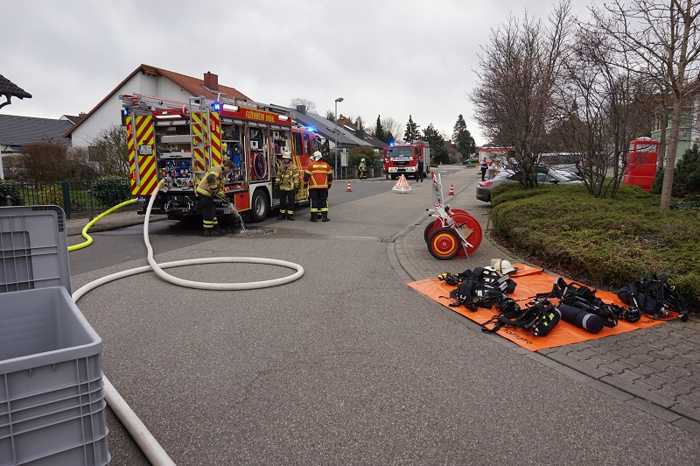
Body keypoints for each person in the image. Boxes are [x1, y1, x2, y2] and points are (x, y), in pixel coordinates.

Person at [196, 159, 233, 236]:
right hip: (203, 192)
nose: (229, 172)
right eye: (229, 170)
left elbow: (216, 184)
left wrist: (220, 193)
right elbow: (211, 179)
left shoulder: (221, 172)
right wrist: (216, 191)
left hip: (207, 194)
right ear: (227, 167)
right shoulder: (217, 169)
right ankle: (208, 231)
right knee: (208, 212)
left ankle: (215, 229)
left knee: (212, 210)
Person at [304, 151, 333, 222]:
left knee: (314, 202)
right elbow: (330, 177)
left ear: (315, 157)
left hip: (313, 188)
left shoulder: (311, 165)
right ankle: (324, 218)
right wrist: (329, 185)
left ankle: (314, 218)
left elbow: (306, 177)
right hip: (324, 187)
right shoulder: (326, 165)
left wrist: (305, 185)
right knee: (323, 202)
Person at [275, 151, 299, 220]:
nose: (285, 159)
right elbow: (278, 176)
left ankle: (290, 215)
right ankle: (282, 215)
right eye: (284, 158)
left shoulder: (293, 167)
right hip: (282, 187)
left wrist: (296, 186)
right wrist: (276, 185)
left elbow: (296, 177)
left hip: (290, 188)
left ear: (289, 159)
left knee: (291, 202)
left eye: (286, 158)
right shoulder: (281, 167)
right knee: (282, 202)